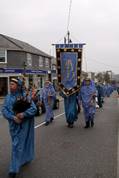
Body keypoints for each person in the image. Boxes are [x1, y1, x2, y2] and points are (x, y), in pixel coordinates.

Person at [2, 78, 37, 178]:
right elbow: (4, 110)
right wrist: (12, 117)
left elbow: (33, 109)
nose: (10, 86)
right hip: (13, 126)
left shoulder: (25, 96)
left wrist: (24, 114)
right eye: (10, 84)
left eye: (12, 84)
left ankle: (13, 169)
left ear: (18, 86)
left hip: (23, 126)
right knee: (17, 145)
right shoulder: (8, 97)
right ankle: (25, 158)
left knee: (17, 146)